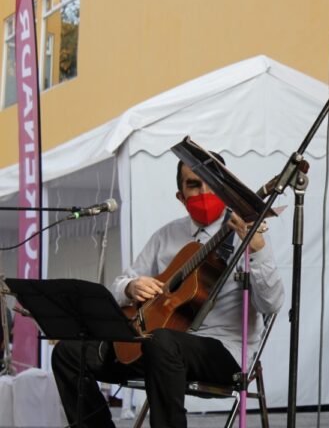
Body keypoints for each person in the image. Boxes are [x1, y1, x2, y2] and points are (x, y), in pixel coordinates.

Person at [52, 154, 285, 428]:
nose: (205, 192)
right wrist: (131, 286)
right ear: (180, 195)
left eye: (213, 184)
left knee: (161, 341)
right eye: (195, 185)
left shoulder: (248, 234)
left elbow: (271, 305)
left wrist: (257, 252)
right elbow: (120, 283)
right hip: (157, 348)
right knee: (68, 353)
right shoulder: (165, 236)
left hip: (222, 350)